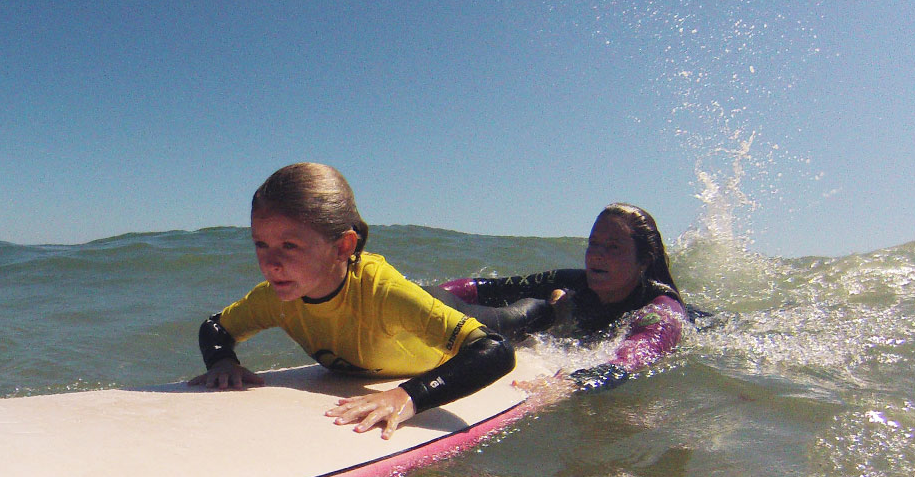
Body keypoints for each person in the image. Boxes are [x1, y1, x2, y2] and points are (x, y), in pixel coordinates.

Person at [189, 162, 516, 439]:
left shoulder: (383, 293)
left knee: (520, 318)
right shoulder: (275, 298)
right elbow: (216, 327)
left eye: (289, 246)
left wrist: (408, 396)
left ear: (343, 247)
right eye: (261, 244)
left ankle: (536, 295)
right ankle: (467, 288)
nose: (270, 263)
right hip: (414, 309)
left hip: (438, 314)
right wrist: (222, 363)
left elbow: (496, 349)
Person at [430, 202, 696, 398]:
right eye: (593, 243)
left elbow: (629, 361)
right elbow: (484, 288)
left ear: (644, 261)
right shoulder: (573, 282)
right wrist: (424, 297)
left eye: (613, 247)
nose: (596, 255)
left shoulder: (661, 311)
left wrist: (568, 384)